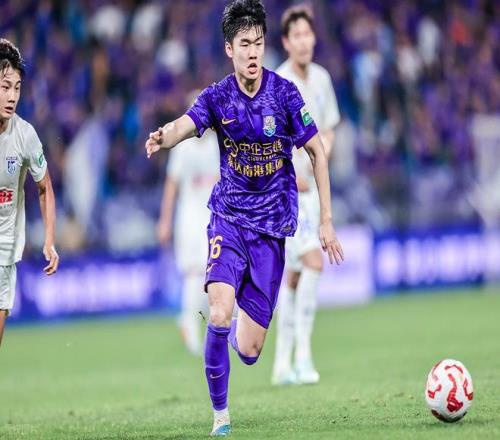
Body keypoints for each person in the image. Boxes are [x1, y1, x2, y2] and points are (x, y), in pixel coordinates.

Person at [145, 0, 343, 436]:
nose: (253, 52)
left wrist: (326, 220)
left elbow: (317, 151)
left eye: (258, 43)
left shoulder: (284, 94)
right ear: (229, 49)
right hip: (229, 220)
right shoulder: (218, 97)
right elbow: (185, 124)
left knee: (250, 351)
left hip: (271, 230)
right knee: (218, 312)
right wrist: (165, 136)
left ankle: (234, 333)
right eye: (244, 44)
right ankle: (221, 416)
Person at [272, 5, 341, 386]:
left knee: (296, 275)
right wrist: (287, 173)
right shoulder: (279, 83)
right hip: (289, 193)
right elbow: (270, 139)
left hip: (315, 191)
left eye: (307, 34)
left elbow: (328, 128)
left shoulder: (322, 80)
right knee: (314, 261)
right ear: (286, 42)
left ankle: (282, 363)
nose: (303, 41)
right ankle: (303, 356)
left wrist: (322, 152)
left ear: (314, 38)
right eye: (295, 35)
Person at [0, 38, 59, 345]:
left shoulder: (24, 135)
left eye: (17, 88)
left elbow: (45, 186)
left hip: (4, 252)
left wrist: (49, 240)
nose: (12, 96)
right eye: (4, 87)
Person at [157, 109, 219, 356]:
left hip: (214, 216)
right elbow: (171, 185)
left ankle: (190, 320)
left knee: (212, 272)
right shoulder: (182, 147)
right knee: (195, 271)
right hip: (190, 219)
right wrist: (165, 220)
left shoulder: (218, 144)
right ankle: (191, 328)